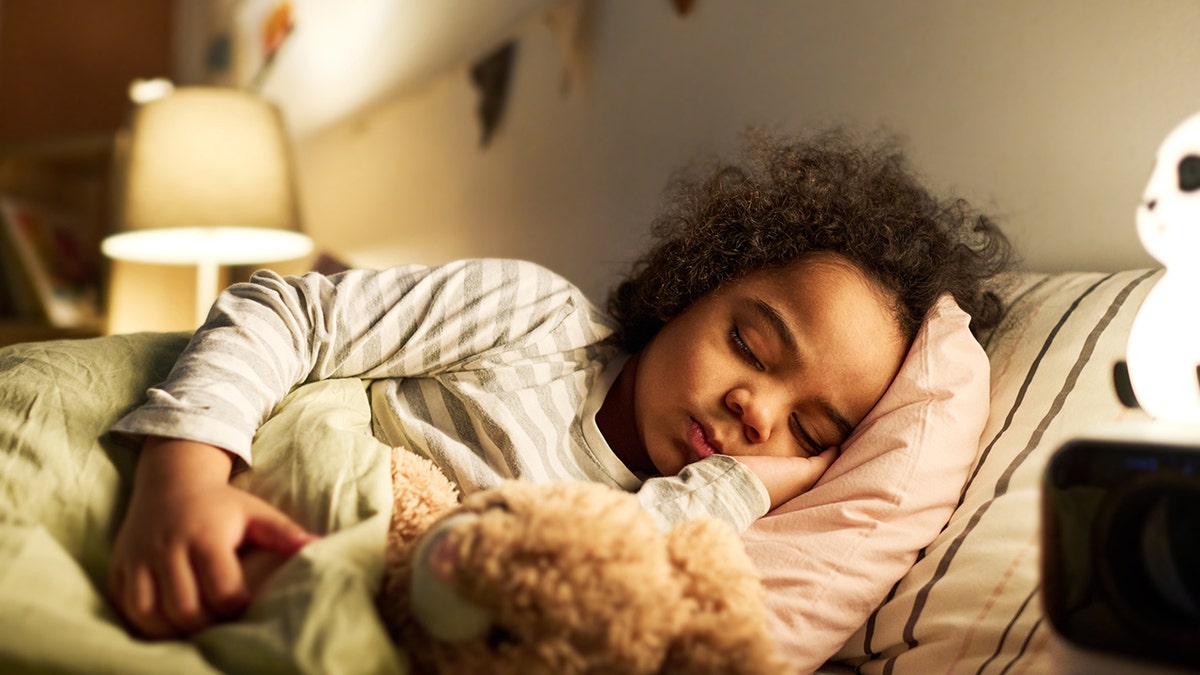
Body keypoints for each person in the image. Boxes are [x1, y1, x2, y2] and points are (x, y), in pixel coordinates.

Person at [106, 129, 1012, 639]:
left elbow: (586, 594)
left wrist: (732, 488)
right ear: (696, 283)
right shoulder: (535, 319)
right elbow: (289, 312)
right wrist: (181, 477)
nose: (757, 411)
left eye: (811, 433)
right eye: (749, 344)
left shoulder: (699, 522)